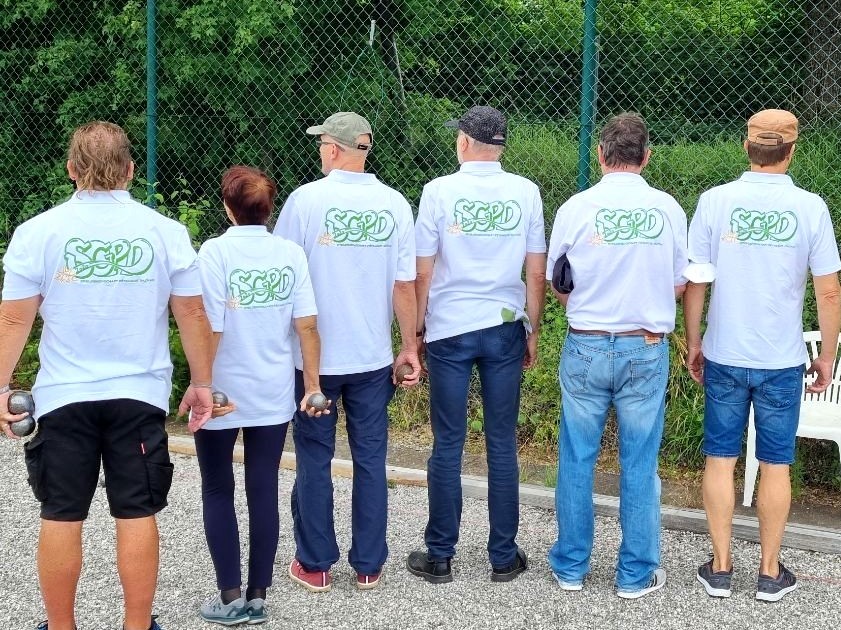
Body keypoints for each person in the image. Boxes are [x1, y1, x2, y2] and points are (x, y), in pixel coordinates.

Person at [0, 121, 214, 630]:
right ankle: (137, 626)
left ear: (71, 170)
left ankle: (60, 627)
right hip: (138, 393)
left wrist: (0, 385)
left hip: (62, 396)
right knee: (136, 511)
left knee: (61, 512)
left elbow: (14, 318)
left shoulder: (38, 232)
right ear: (131, 170)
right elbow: (193, 314)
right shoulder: (165, 232)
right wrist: (202, 382)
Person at [684, 109, 841, 602]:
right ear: (792, 150)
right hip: (782, 357)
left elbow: (696, 280)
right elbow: (829, 291)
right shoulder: (810, 207)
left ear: (746, 146)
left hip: (725, 352)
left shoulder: (715, 201)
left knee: (720, 457)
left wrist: (694, 342)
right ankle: (770, 573)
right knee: (776, 463)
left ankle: (721, 568)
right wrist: (829, 355)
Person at [273, 111, 420, 591]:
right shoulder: (395, 204)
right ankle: (369, 564)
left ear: (334, 149)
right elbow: (404, 285)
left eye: (322, 144)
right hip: (373, 357)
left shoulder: (305, 201)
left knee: (314, 458)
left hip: (313, 361)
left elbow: (282, 277)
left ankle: (314, 564)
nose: (319, 151)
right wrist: (409, 346)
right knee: (371, 458)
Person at [545, 113, 687, 599]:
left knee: (577, 458)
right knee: (640, 463)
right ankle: (634, 574)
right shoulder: (667, 209)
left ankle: (570, 566)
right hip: (644, 345)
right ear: (647, 156)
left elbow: (557, 278)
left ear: (601, 155)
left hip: (586, 341)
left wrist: (585, 306)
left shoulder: (577, 207)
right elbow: (678, 280)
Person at [406, 105, 546, 584]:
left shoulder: (438, 191)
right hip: (506, 324)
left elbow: (423, 269)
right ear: (501, 145)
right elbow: (535, 268)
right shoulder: (525, 192)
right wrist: (534, 327)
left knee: (448, 441)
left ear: (464, 142)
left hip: (450, 326)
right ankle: (503, 557)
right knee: (502, 442)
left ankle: (440, 554)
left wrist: (416, 332)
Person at [194, 166, 327, 624]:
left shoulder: (214, 253)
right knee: (263, 489)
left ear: (228, 207)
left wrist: (201, 385)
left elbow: (210, 326)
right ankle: (258, 595)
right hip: (271, 390)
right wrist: (312, 385)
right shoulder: (290, 254)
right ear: (269, 209)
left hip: (223, 390)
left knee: (217, 486)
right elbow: (306, 325)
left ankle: (229, 597)